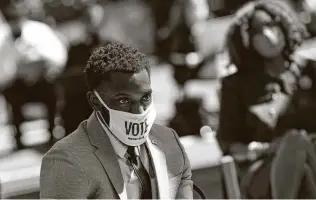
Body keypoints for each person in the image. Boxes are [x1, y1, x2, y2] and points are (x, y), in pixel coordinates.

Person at [40, 42, 193, 199]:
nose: (139, 112)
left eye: (145, 97)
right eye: (123, 101)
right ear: (95, 101)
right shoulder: (66, 161)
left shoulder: (169, 141)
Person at [217, 0, 316, 198]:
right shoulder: (235, 85)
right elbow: (229, 144)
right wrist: (265, 149)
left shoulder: (310, 70)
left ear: (284, 25)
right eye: (257, 32)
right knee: (295, 142)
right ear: (245, 40)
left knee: (303, 157)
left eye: (271, 25)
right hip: (263, 173)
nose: (268, 36)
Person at [1, 6, 67, 149]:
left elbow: (58, 55)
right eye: (10, 19)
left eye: (16, 18)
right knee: (12, 95)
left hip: (41, 81)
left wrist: (40, 67)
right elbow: (3, 73)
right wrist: (17, 72)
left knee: (53, 90)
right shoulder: (2, 38)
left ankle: (52, 132)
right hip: (18, 85)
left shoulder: (39, 30)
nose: (14, 23)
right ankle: (18, 139)